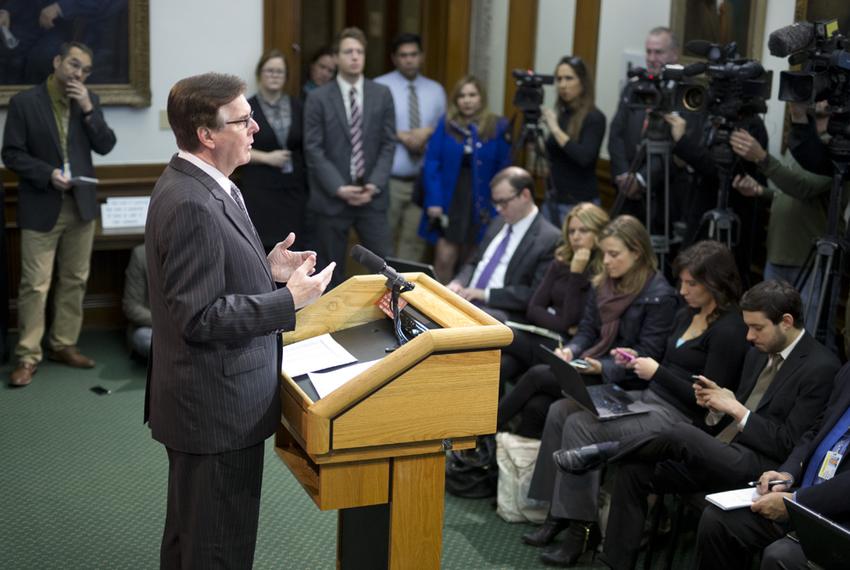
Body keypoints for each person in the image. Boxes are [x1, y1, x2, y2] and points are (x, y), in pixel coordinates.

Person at [145, 72, 334, 568]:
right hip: (214, 411)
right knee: (216, 550)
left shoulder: (209, 185)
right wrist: (287, 300)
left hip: (214, 402)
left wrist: (265, 269)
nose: (256, 128)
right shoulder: (191, 201)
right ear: (207, 134)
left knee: (193, 539)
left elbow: (212, 278)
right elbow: (199, 317)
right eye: (243, 120)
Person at [581, 280, 841, 570]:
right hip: (722, 452)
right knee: (635, 469)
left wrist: (738, 410)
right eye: (747, 326)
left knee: (680, 432)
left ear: (787, 322)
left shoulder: (821, 367)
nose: (749, 336)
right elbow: (740, 407)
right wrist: (719, 402)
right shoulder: (757, 351)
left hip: (761, 467)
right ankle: (612, 565)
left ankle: (608, 450)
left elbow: (789, 444)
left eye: (757, 327)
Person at [520, 241, 749, 566]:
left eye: (691, 284)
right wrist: (637, 360)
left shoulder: (729, 330)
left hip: (680, 420)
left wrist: (655, 371)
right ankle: (555, 514)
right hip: (648, 399)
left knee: (580, 425)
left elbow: (706, 402)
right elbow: (668, 364)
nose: (682, 290)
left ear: (716, 282)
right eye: (682, 281)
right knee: (561, 410)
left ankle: (579, 531)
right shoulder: (689, 313)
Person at [497, 215, 678, 441]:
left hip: (624, 380)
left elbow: (649, 354)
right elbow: (587, 330)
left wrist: (601, 367)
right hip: (592, 364)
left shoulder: (659, 296)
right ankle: (504, 465)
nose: (607, 261)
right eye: (604, 254)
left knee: (537, 375)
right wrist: (571, 350)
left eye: (614, 254)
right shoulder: (604, 282)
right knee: (537, 406)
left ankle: (478, 436)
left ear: (637, 252)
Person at [2, 41, 116, 387]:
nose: (78, 73)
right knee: (35, 285)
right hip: (42, 201)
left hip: (80, 205)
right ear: (57, 61)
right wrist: (47, 173)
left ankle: (63, 344)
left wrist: (86, 108)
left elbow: (106, 145)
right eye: (73, 65)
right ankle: (27, 355)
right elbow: (11, 154)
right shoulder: (25, 102)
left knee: (75, 278)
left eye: (84, 70)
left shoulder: (89, 101)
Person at [695, 363, 850, 570]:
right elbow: (816, 431)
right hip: (803, 494)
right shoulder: (847, 372)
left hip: (839, 518)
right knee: (718, 520)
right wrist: (788, 473)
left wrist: (797, 502)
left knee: (781, 557)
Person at [729, 103, 837, 334]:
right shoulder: (802, 142)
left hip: (810, 259)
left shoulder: (835, 149)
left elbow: (804, 188)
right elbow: (788, 192)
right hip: (778, 252)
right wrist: (760, 191)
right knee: (771, 331)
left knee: (803, 332)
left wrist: (762, 158)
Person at [303, 27, 395, 288]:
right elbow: (313, 148)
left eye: (359, 52)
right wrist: (339, 188)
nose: (355, 57)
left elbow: (389, 143)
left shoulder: (382, 94)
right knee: (329, 272)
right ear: (336, 57)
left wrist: (374, 185)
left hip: (372, 196)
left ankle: (385, 322)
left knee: (384, 268)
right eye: (348, 52)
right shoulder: (318, 97)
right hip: (332, 198)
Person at [500, 202, 609, 386]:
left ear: (598, 233)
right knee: (504, 365)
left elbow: (574, 321)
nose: (575, 237)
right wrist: (563, 324)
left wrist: (576, 274)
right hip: (544, 332)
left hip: (569, 346)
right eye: (572, 231)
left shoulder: (603, 273)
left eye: (583, 231)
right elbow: (533, 308)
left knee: (503, 333)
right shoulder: (561, 261)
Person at [420, 75, 512, 283]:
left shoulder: (498, 126)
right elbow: (432, 163)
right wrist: (434, 201)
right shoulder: (446, 124)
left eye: (472, 95)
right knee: (444, 258)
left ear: (481, 98)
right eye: (461, 96)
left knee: (472, 259)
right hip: (451, 198)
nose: (467, 100)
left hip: (483, 199)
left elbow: (504, 166)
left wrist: (499, 202)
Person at [447, 166, 560, 323]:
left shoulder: (549, 238)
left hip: (500, 313)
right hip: (466, 300)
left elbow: (534, 293)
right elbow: (474, 262)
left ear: (525, 195)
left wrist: (484, 294)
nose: (499, 209)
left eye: (503, 202)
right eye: (495, 203)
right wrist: (458, 283)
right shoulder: (498, 222)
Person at [375, 33, 446, 262]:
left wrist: (428, 132)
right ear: (394, 58)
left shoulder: (436, 90)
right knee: (382, 243)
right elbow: (369, 128)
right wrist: (401, 135)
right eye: (403, 55)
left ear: (422, 57)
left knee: (413, 245)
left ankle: (406, 297)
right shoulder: (380, 86)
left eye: (413, 55)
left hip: (422, 181)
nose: (409, 60)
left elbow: (445, 129)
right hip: (390, 180)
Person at [236, 49, 308, 252]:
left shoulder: (298, 106)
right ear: (259, 74)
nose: (275, 76)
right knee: (264, 249)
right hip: (261, 190)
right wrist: (267, 158)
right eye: (270, 71)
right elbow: (237, 146)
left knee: (295, 247)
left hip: (293, 191)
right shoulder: (246, 108)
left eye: (280, 72)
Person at [608, 27, 682, 222]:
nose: (651, 58)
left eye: (658, 52)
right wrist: (624, 175)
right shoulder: (635, 86)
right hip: (624, 191)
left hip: (662, 195)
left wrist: (641, 179)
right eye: (648, 51)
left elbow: (674, 148)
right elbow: (616, 134)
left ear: (674, 54)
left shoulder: (684, 95)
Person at [540, 55, 606, 225]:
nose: (563, 85)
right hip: (553, 199)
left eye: (569, 78)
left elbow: (584, 157)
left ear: (582, 82)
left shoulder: (595, 118)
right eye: (559, 79)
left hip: (578, 204)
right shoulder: (562, 114)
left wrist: (554, 129)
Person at [122, 243, 151, 359]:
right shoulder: (142, 253)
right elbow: (131, 307)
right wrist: (167, 324)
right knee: (143, 338)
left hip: (190, 328)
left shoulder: (197, 252)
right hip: (153, 326)